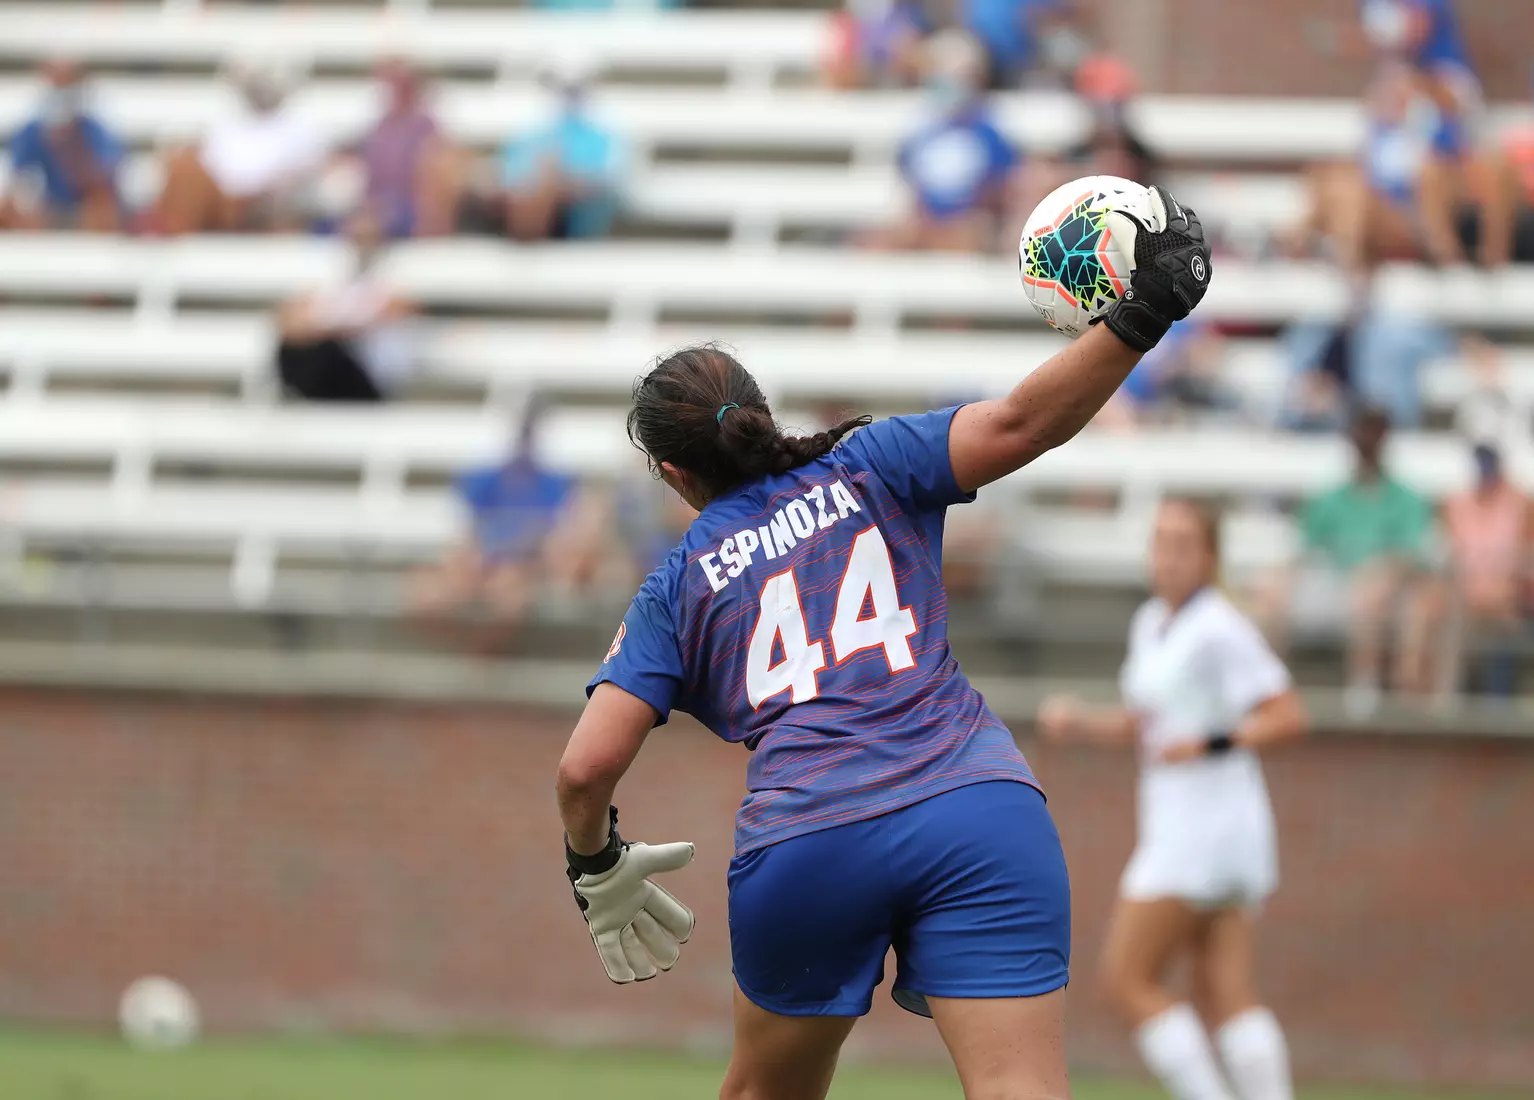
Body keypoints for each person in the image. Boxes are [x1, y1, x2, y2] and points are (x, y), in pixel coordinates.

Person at [554, 186, 1210, 1100]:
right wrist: (1149, 308)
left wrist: (595, 862)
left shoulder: (679, 581)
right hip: (976, 811)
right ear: (758, 413)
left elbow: (587, 768)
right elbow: (1024, 422)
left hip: (808, 841)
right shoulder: (871, 458)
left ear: (673, 472)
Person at [1038, 499, 1309, 1100]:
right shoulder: (1153, 622)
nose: (1168, 556)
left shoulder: (1219, 625)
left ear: (1210, 557)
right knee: (1225, 991)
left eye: (1183, 543)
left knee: (1128, 977)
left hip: (1204, 831)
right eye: (1160, 541)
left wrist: (1212, 742)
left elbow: (1287, 714)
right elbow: (1147, 724)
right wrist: (1081, 722)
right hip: (1200, 827)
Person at [1256, 407, 1438, 715]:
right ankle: (1265, 691)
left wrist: (1382, 573)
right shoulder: (1330, 497)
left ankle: (1364, 690)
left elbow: (1414, 556)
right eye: (1362, 430)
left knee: (1371, 591)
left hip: (1388, 593)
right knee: (1270, 589)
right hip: (1335, 583)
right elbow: (1303, 548)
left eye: (1374, 431)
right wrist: (1280, 577)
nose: (1367, 439)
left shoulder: (1406, 498)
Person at [869, 30, 1017, 254]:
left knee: (968, 238)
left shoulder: (989, 134)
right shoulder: (920, 132)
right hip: (926, 224)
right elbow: (912, 188)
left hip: (969, 224)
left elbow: (996, 192)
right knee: (878, 244)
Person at [155, 59, 327, 235]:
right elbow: (211, 162)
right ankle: (164, 237)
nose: (260, 86)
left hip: (263, 204)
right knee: (183, 167)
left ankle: (163, 235)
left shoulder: (299, 124)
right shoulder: (229, 120)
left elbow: (307, 170)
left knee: (187, 172)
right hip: (221, 201)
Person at [275, 212, 414, 402]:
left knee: (323, 350)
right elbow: (290, 319)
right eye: (356, 237)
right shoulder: (336, 276)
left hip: (370, 374)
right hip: (339, 367)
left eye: (367, 237)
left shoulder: (394, 276)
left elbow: (388, 315)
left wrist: (324, 328)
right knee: (293, 347)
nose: (361, 244)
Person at [1439, 444, 1532, 696]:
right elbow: (1448, 559)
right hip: (1466, 598)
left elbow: (1525, 560)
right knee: (1446, 616)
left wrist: (1509, 589)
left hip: (1511, 598)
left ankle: (1497, 702)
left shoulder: (1521, 505)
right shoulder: (1456, 505)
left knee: (1502, 620)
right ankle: (1446, 705)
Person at [500, 62, 624, 242]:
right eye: (563, 88)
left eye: (574, 89)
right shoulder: (532, 132)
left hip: (578, 209)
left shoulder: (605, 135)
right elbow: (511, 176)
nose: (568, 96)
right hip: (534, 202)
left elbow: (607, 181)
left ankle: (526, 234)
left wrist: (560, 181)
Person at [3, 59, 124, 232]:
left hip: (84, 212)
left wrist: (68, 147)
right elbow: (16, 181)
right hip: (46, 211)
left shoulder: (95, 131)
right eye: (55, 85)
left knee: (102, 211)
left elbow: (105, 186)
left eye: (66, 85)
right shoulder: (32, 131)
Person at [356, 58, 461, 239]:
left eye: (404, 87)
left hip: (410, 207)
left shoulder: (427, 128)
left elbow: (435, 175)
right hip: (378, 204)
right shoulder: (381, 127)